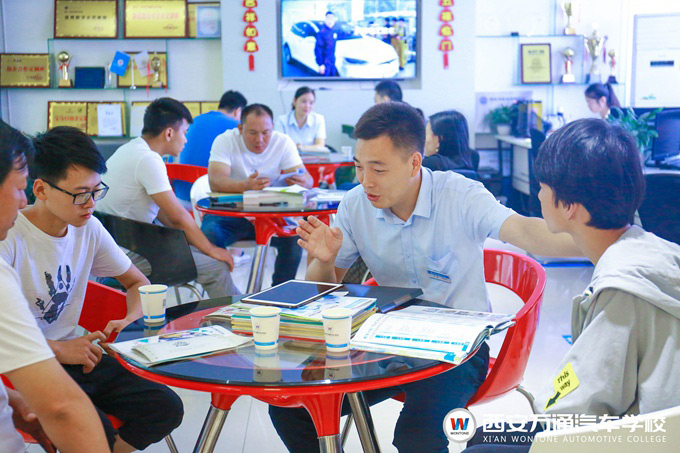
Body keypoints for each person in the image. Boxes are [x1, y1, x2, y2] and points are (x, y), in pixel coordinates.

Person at [268, 102, 581, 452]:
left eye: (378, 169)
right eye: (358, 167)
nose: (365, 181)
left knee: (417, 438)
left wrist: (600, 237)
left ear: (414, 163)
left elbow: (524, 230)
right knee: (290, 406)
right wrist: (323, 261)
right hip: (386, 341)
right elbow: (323, 290)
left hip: (457, 349)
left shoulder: (460, 196)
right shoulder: (356, 205)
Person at [464, 119, 680, 452]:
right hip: (657, 425)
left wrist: (543, 411)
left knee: (481, 445)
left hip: (644, 438)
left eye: (543, 186)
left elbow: (581, 408)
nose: (538, 194)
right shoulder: (657, 249)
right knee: (486, 436)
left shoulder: (620, 290)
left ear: (568, 207)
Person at [0, 125, 183, 452]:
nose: (90, 203)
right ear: (40, 189)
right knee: (92, 427)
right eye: (80, 194)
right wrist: (58, 349)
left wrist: (130, 319)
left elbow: (137, 283)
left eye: (97, 191)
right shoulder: (10, 237)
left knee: (166, 407)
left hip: (77, 354)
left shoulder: (88, 229)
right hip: (22, 366)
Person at [0, 121, 109, 453]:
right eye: (19, 188)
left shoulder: (88, 228)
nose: (22, 201)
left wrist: (9, 400)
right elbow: (61, 407)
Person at [97, 97, 239, 299]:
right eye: (185, 133)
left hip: (117, 250)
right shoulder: (148, 159)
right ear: (169, 133)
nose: (186, 140)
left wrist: (200, 246)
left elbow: (165, 213)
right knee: (215, 265)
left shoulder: (131, 149)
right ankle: (237, 314)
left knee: (204, 254)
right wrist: (211, 249)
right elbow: (177, 217)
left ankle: (236, 307)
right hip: (126, 257)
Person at [201, 103, 313, 286]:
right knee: (209, 234)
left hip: (272, 215)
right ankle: (226, 293)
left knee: (294, 240)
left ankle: (279, 296)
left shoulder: (282, 142)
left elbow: (307, 179)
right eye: (252, 133)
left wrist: (302, 181)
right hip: (232, 214)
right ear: (240, 128)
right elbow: (215, 181)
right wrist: (245, 186)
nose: (259, 139)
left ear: (272, 129)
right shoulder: (225, 140)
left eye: (266, 133)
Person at [175, 90, 248, 202]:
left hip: (181, 196)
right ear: (238, 111)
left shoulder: (195, 120)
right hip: (210, 198)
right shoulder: (236, 127)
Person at [275, 86, 327, 151]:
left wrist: (300, 147)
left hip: (312, 157)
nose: (307, 106)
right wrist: (308, 148)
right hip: (288, 157)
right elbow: (280, 146)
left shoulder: (318, 119)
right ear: (294, 101)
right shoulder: (282, 120)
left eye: (311, 103)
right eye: (304, 101)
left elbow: (320, 146)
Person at [315, 11, 338, 77]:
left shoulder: (334, 31)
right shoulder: (321, 33)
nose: (330, 21)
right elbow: (318, 49)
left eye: (332, 18)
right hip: (325, 63)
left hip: (332, 61)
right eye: (328, 18)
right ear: (325, 19)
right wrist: (321, 64)